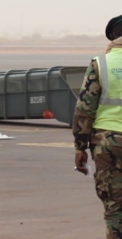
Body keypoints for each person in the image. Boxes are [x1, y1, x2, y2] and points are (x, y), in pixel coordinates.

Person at [73, 15, 122, 238]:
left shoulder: (101, 63)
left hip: (108, 144)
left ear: (113, 36)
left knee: (114, 207)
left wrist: (80, 147)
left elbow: (85, 108)